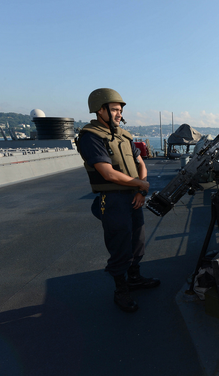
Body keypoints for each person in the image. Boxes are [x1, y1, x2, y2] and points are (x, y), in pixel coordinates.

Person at [77, 88, 160, 312]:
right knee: (119, 244)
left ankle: (134, 278)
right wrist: (140, 185)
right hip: (112, 199)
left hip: (133, 195)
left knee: (137, 240)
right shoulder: (91, 137)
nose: (119, 114)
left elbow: (140, 162)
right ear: (99, 110)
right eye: (114, 109)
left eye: (120, 110)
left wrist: (141, 190)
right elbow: (108, 173)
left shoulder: (124, 135)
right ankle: (121, 290)